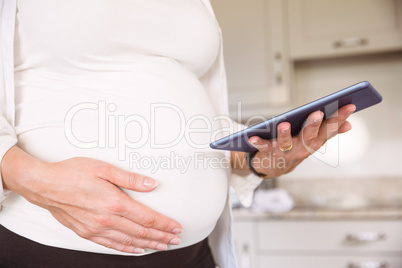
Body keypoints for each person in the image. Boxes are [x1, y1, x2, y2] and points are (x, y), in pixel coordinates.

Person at [0, 0, 356, 267]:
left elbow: (198, 113)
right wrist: (32, 178)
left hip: (194, 254)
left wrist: (257, 157)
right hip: (54, 246)